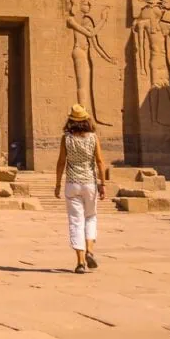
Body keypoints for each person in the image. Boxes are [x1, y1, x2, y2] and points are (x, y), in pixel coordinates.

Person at [54, 104, 106, 274]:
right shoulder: (93, 138)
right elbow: (100, 161)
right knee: (90, 217)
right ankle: (90, 250)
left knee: (76, 221)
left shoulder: (66, 139)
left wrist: (57, 184)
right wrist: (103, 184)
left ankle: (80, 262)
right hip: (89, 183)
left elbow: (61, 162)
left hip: (72, 183)